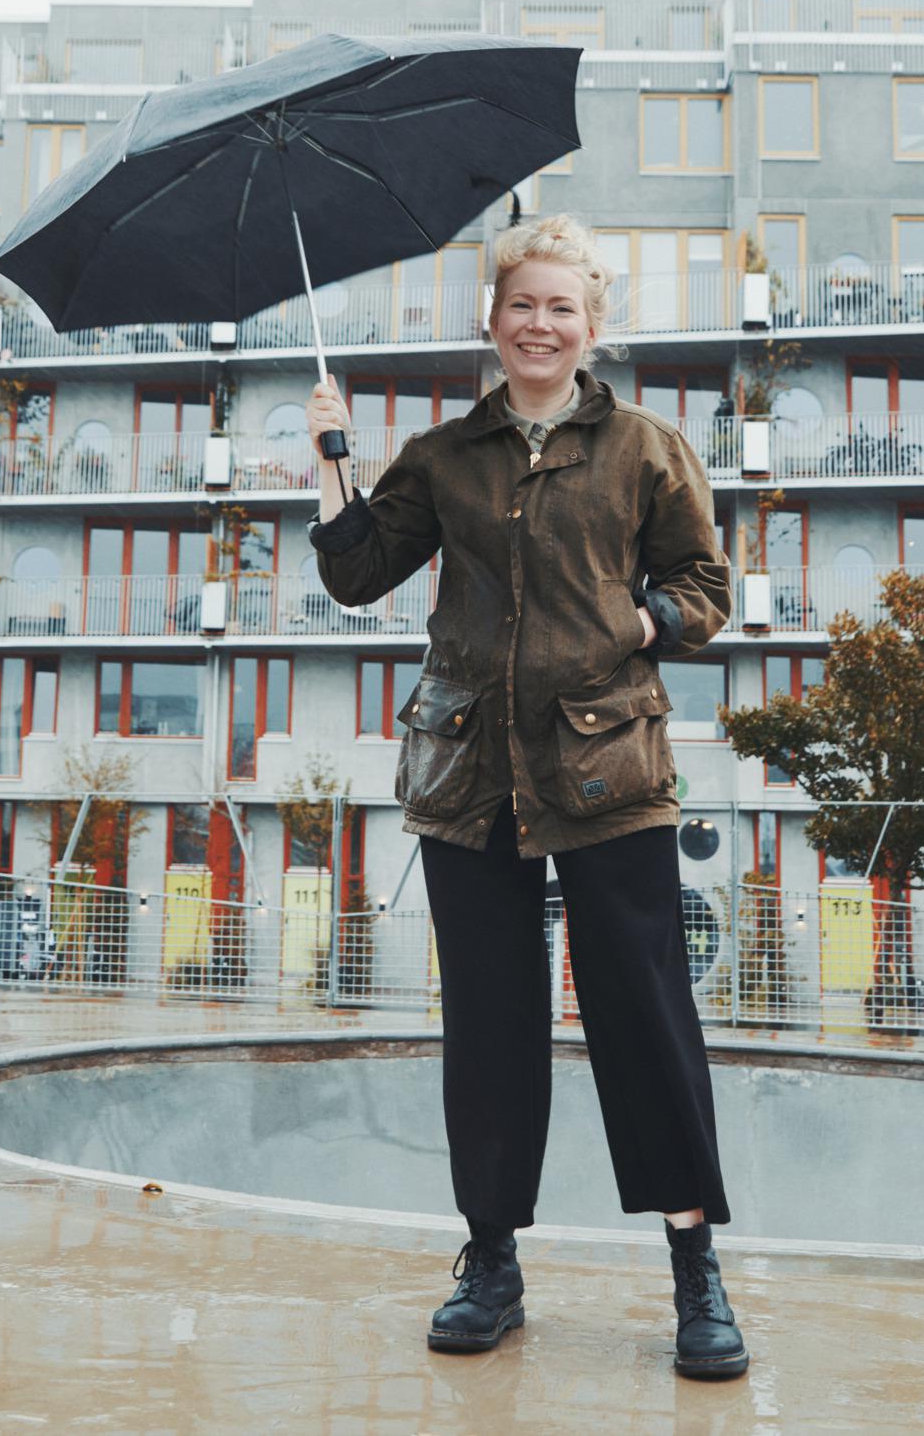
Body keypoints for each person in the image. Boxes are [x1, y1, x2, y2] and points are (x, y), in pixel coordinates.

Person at [303, 213, 746, 1379]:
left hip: (609, 768)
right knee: (489, 1023)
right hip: (472, 774)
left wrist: (640, 622)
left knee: (643, 1018)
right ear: (489, 324)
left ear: (591, 326)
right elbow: (357, 577)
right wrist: (332, 463)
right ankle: (489, 1260)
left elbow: (705, 585)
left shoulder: (644, 447)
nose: (538, 324)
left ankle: (693, 1268)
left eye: (561, 307)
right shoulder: (443, 457)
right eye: (520, 306)